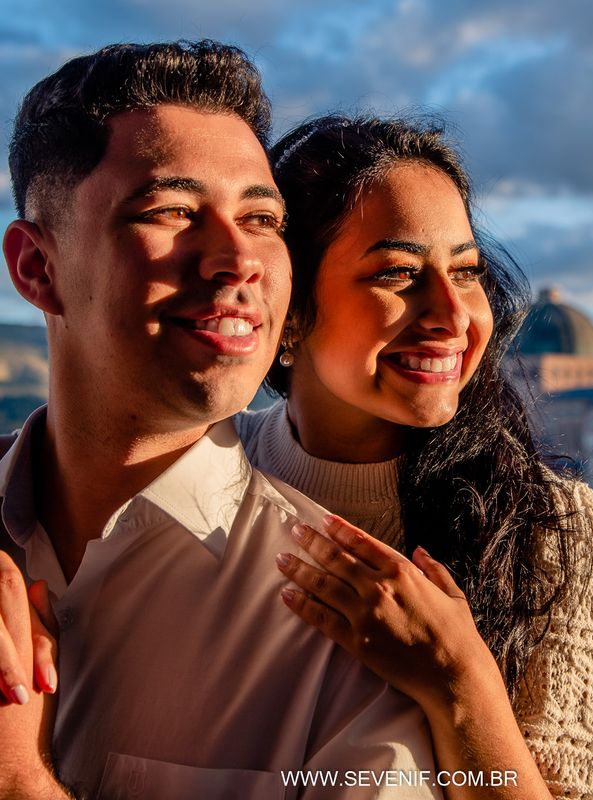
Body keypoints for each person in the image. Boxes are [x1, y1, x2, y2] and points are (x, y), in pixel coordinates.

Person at [0, 43, 442, 799]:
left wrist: (17, 781)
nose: (239, 260)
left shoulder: (351, 636)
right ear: (38, 269)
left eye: (262, 218)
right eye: (171, 211)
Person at [233, 115, 593, 800]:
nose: (452, 313)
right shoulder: (198, 474)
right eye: (397, 273)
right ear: (289, 308)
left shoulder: (543, 524)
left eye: (467, 271)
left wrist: (458, 679)